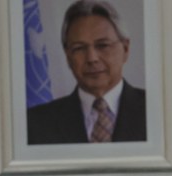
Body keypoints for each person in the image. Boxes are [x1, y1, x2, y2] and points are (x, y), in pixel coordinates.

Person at [27, 0, 146, 145]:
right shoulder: (35, 123)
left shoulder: (159, 110)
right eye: (79, 48)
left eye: (103, 45)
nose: (92, 58)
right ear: (68, 56)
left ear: (125, 49)